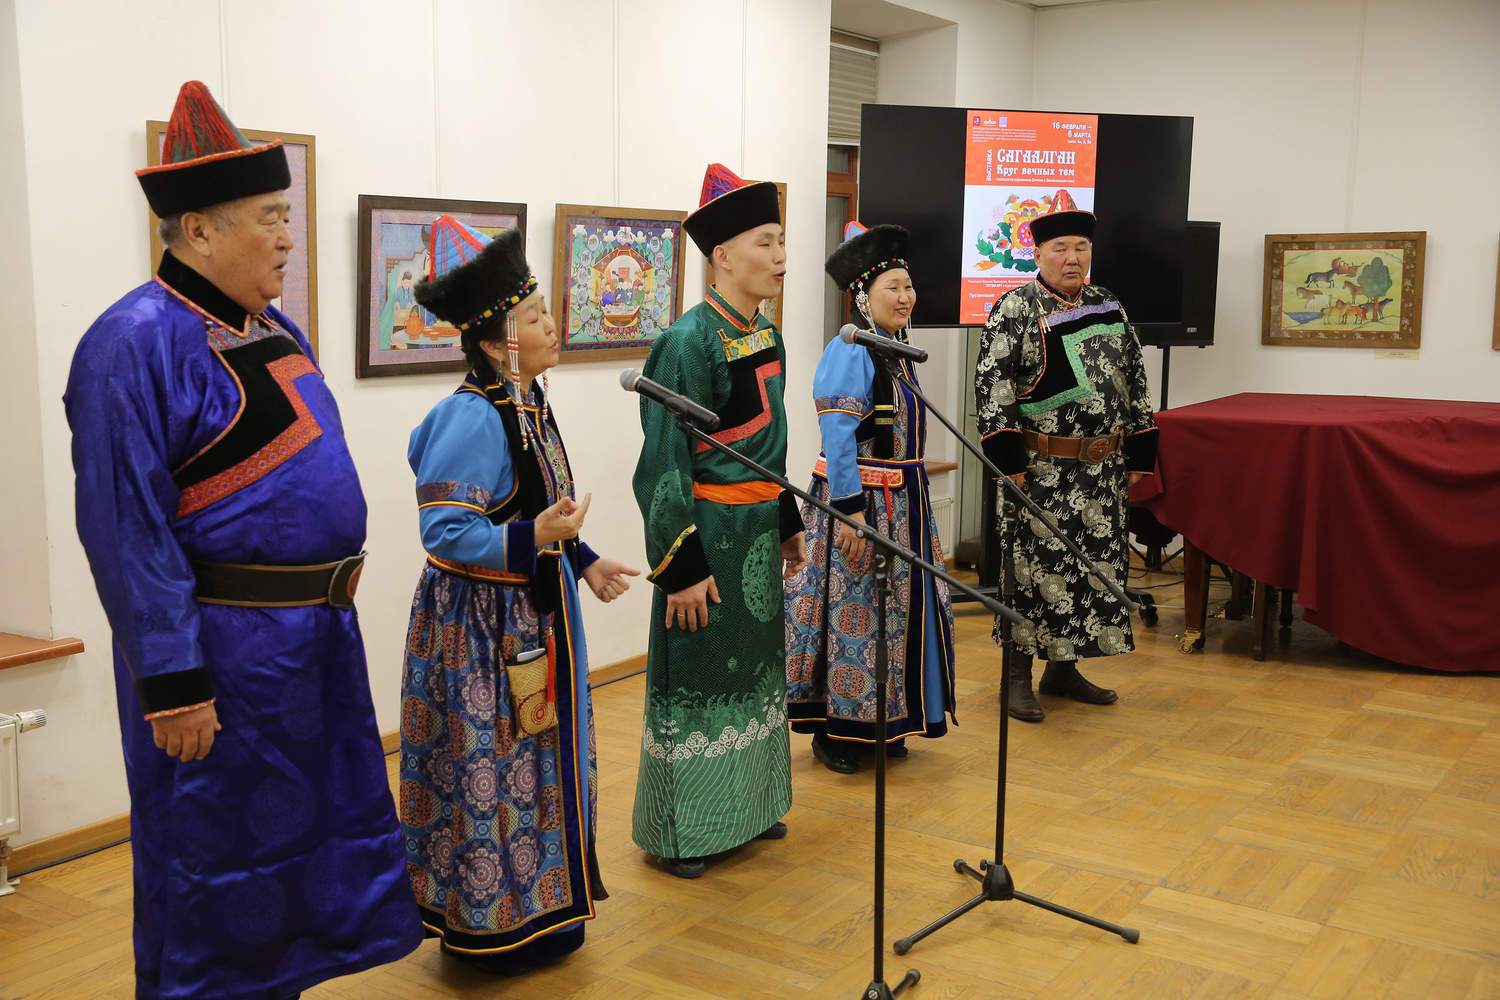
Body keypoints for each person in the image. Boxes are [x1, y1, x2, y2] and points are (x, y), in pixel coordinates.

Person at [64, 81, 421, 999]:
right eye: (271, 218)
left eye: (286, 216)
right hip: (222, 663)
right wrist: (174, 683)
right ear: (197, 230)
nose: (288, 238)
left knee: (302, 862)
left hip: (312, 651)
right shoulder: (130, 342)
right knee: (213, 863)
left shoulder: (271, 327)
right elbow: (126, 528)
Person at [398, 217, 636, 972]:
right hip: (482, 630)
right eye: (535, 317)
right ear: (501, 340)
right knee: (492, 773)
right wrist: (537, 537)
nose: (552, 325)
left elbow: (540, 505)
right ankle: (490, 926)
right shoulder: (473, 416)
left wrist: (583, 558)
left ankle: (545, 906)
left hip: (533, 615)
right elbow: (444, 531)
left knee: (537, 767)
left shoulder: (528, 401)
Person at [630, 163, 805, 879]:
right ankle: (684, 832)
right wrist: (680, 567)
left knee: (755, 677)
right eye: (766, 242)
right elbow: (662, 463)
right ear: (723, 256)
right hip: (708, 538)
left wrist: (787, 517)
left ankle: (751, 809)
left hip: (757, 536)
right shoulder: (687, 342)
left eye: (782, 241)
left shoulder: (767, 335)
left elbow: (773, 440)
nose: (781, 256)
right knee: (701, 681)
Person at [974, 206, 1158, 722]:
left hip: (1102, 472)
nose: (1072, 258)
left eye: (1081, 248)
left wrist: (1140, 449)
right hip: (1040, 471)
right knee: (1029, 573)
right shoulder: (1015, 307)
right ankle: (1015, 677)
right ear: (1038, 254)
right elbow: (993, 387)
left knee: (1088, 570)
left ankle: (1063, 669)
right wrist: (1008, 461)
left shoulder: (1107, 304)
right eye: (1060, 249)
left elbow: (1135, 377)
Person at [785, 222, 956, 772]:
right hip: (861, 504)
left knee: (893, 618)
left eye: (909, 286)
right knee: (853, 616)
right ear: (863, 296)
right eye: (893, 288)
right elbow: (838, 438)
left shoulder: (894, 352)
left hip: (904, 503)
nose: (905, 297)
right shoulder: (850, 351)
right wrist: (851, 515)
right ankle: (838, 731)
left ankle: (884, 723)